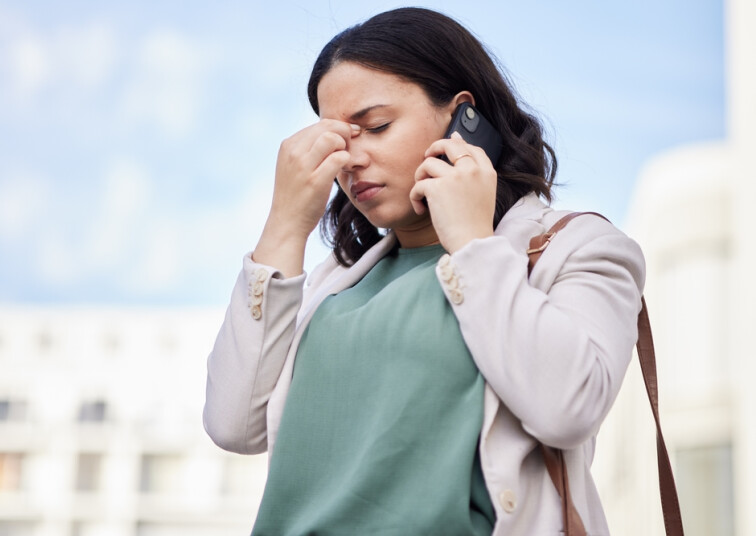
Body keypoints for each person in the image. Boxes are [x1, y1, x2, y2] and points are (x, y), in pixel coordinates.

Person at [203, 7, 644, 535]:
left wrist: (472, 243)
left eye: (377, 127)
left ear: (464, 119)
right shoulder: (333, 284)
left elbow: (568, 408)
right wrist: (284, 225)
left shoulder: (574, 249)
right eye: (340, 143)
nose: (351, 161)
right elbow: (232, 425)